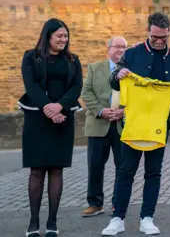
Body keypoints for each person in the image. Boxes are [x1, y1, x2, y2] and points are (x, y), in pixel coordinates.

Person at [101, 13, 170, 236]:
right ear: (147, 32)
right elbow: (113, 82)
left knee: (153, 173)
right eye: (155, 37)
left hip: (160, 124)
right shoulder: (132, 54)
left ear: (169, 34)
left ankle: (147, 217)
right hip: (134, 123)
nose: (159, 41)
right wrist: (118, 74)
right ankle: (117, 218)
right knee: (125, 171)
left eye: (164, 37)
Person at [19, 18, 83, 237]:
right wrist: (47, 108)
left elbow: (77, 87)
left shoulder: (74, 60)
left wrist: (59, 107)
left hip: (63, 118)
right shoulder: (31, 57)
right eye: (60, 36)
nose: (64, 40)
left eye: (66, 36)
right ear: (48, 37)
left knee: (57, 169)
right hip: (37, 118)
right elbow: (31, 85)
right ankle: (33, 222)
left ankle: (52, 222)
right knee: (37, 170)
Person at [81, 37, 127, 217]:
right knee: (95, 165)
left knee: (122, 167)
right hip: (98, 124)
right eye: (117, 47)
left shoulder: (131, 70)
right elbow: (86, 92)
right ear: (108, 48)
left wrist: (124, 111)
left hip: (122, 125)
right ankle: (95, 203)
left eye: (124, 47)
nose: (121, 50)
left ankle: (118, 202)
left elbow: (138, 95)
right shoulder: (94, 68)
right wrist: (101, 111)